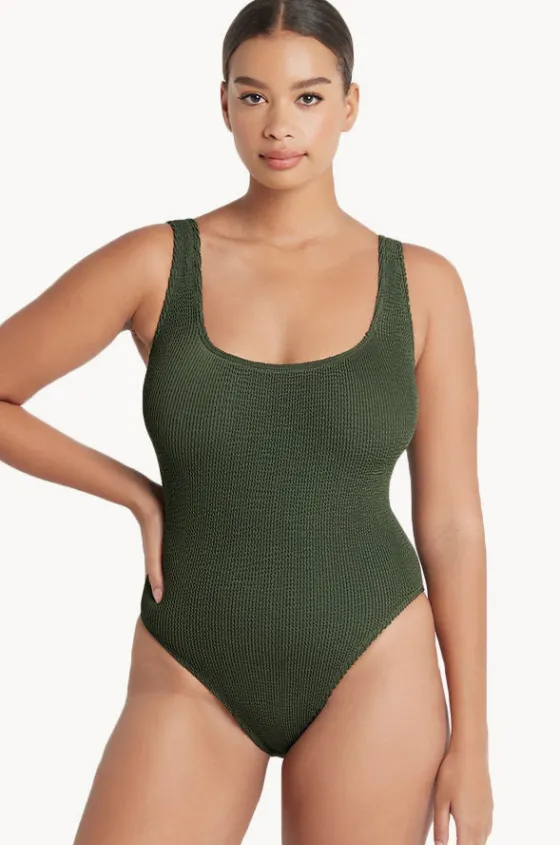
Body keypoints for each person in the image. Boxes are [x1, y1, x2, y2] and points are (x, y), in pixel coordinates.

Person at [0, 0, 494, 843]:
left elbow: (450, 519)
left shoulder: (424, 285)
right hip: (193, 657)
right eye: (254, 95)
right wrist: (137, 494)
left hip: (374, 657)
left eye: (309, 97)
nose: (279, 125)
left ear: (350, 105)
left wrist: (474, 742)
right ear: (223, 104)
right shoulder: (157, 263)